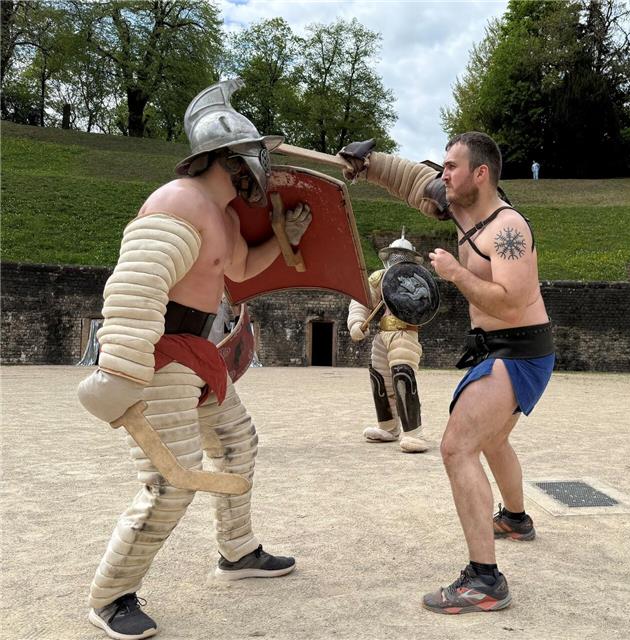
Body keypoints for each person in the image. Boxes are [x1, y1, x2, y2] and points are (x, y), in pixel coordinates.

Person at [76, 79, 307, 640]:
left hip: (199, 356)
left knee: (237, 446)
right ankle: (111, 598)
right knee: (169, 482)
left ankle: (238, 551)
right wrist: (122, 372)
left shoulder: (220, 213)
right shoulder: (179, 199)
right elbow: (137, 285)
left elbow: (241, 270)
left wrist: (281, 237)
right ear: (230, 158)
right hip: (158, 357)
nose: (264, 170)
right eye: (257, 157)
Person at [336, 132, 554, 614]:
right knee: (492, 440)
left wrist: (455, 274)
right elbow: (416, 182)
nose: (444, 174)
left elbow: (513, 300)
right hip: (499, 349)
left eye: (453, 167)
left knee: (458, 446)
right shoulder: (460, 208)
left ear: (481, 173)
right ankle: (516, 519)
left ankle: (485, 580)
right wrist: (368, 164)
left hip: (519, 350)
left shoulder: (507, 228)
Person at [346, 228, 429, 453]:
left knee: (403, 376)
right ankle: (389, 427)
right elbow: (362, 300)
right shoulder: (379, 279)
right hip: (383, 333)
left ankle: (413, 433)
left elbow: (425, 305)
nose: (398, 260)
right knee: (379, 378)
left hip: (406, 333)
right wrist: (356, 322)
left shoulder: (419, 281)